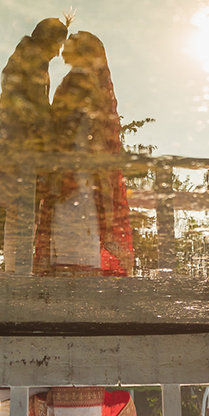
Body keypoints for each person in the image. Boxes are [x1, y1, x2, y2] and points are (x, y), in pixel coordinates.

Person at [32, 31, 134, 276]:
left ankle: (70, 278)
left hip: (72, 169)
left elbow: (67, 128)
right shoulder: (92, 81)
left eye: (73, 42)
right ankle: (82, 276)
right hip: (87, 173)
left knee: (70, 223)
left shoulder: (77, 80)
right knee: (85, 224)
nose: (65, 45)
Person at [0, 17, 68, 272]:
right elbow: (37, 106)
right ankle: (18, 273)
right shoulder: (34, 58)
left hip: (14, 143)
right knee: (24, 209)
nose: (58, 52)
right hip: (24, 146)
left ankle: (14, 270)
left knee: (17, 212)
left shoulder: (23, 55)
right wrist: (51, 141)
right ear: (49, 39)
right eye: (58, 44)